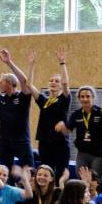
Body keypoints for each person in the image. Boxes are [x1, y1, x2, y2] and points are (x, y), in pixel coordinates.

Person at [27, 49, 71, 178]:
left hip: (60, 143)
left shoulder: (64, 99)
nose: (53, 82)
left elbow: (65, 83)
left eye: (56, 81)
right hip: (45, 142)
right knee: (46, 174)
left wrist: (62, 63)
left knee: (60, 175)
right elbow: (29, 84)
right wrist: (31, 65)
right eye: (51, 80)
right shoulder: (43, 100)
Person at [58, 86, 102, 179]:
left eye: (88, 96)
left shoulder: (101, 112)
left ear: (93, 97)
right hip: (82, 153)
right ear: (79, 99)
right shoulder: (76, 114)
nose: (85, 99)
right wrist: (62, 127)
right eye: (82, 97)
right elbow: (67, 132)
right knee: (81, 178)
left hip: (98, 154)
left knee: (95, 180)